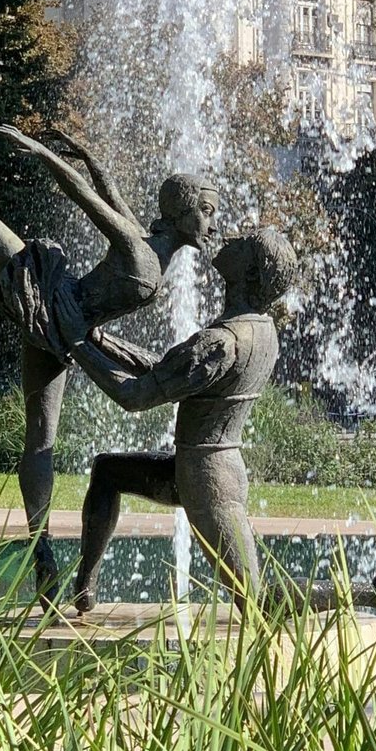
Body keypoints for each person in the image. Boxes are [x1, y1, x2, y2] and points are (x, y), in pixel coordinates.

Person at [0, 73, 218, 599]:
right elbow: (83, 196)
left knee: (41, 441)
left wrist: (83, 153)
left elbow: (105, 189)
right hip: (53, 299)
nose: (212, 222)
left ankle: (42, 550)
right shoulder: (143, 252)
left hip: (65, 330)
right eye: (207, 210)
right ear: (180, 211)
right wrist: (42, 152)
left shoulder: (148, 246)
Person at [55, 230, 298, 614]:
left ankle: (371, 593)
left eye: (243, 243)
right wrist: (100, 341)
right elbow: (169, 370)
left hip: (206, 482)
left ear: (249, 272)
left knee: (256, 601)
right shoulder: (261, 330)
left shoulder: (221, 341)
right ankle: (84, 589)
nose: (230, 239)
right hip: (206, 467)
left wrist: (76, 342)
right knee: (108, 471)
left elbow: (135, 395)